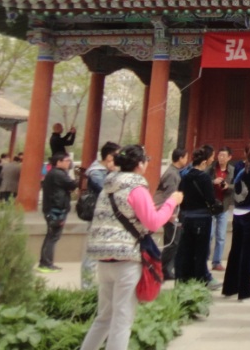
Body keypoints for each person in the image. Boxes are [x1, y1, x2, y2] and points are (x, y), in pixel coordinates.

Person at [79, 145, 183, 350]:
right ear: (140, 164)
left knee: (104, 318)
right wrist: (171, 202)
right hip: (126, 258)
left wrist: (159, 211)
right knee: (122, 320)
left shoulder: (108, 186)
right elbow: (152, 223)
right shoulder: (136, 188)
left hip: (104, 257)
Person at [222, 143, 250, 301]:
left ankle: (230, 287)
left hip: (237, 212)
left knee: (235, 250)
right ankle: (246, 291)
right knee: (248, 252)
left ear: (244, 152)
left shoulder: (237, 168)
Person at [176, 148, 220, 289]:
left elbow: (180, 198)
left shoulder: (185, 176)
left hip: (188, 217)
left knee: (187, 250)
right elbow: (210, 199)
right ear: (204, 162)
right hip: (203, 218)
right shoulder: (204, 178)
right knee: (201, 252)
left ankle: (185, 279)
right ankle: (201, 279)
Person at [81, 141, 121, 289]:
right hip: (97, 217)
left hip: (106, 216)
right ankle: (87, 287)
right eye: (117, 155)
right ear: (109, 157)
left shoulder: (105, 171)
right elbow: (109, 189)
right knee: (91, 253)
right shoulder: (96, 172)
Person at [38, 151, 78, 273]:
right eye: (67, 160)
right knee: (52, 237)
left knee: (52, 236)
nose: (69, 163)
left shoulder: (56, 173)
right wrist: (80, 178)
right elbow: (72, 184)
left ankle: (46, 262)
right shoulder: (57, 174)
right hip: (55, 210)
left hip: (55, 208)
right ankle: (46, 263)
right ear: (58, 162)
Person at [155, 148, 188, 280]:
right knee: (173, 242)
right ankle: (163, 269)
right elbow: (170, 195)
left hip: (168, 211)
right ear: (180, 158)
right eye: (185, 157)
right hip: (168, 212)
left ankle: (165, 269)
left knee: (171, 241)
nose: (186, 160)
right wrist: (172, 213)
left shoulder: (174, 172)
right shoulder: (171, 174)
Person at [208, 146, 235, 271]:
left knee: (221, 236)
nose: (221, 158)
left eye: (224, 155)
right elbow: (204, 182)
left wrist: (228, 186)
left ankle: (217, 262)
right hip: (211, 206)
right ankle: (205, 259)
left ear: (229, 157)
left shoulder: (232, 170)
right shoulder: (211, 169)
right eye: (219, 155)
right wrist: (213, 182)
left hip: (224, 207)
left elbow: (237, 186)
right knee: (209, 235)